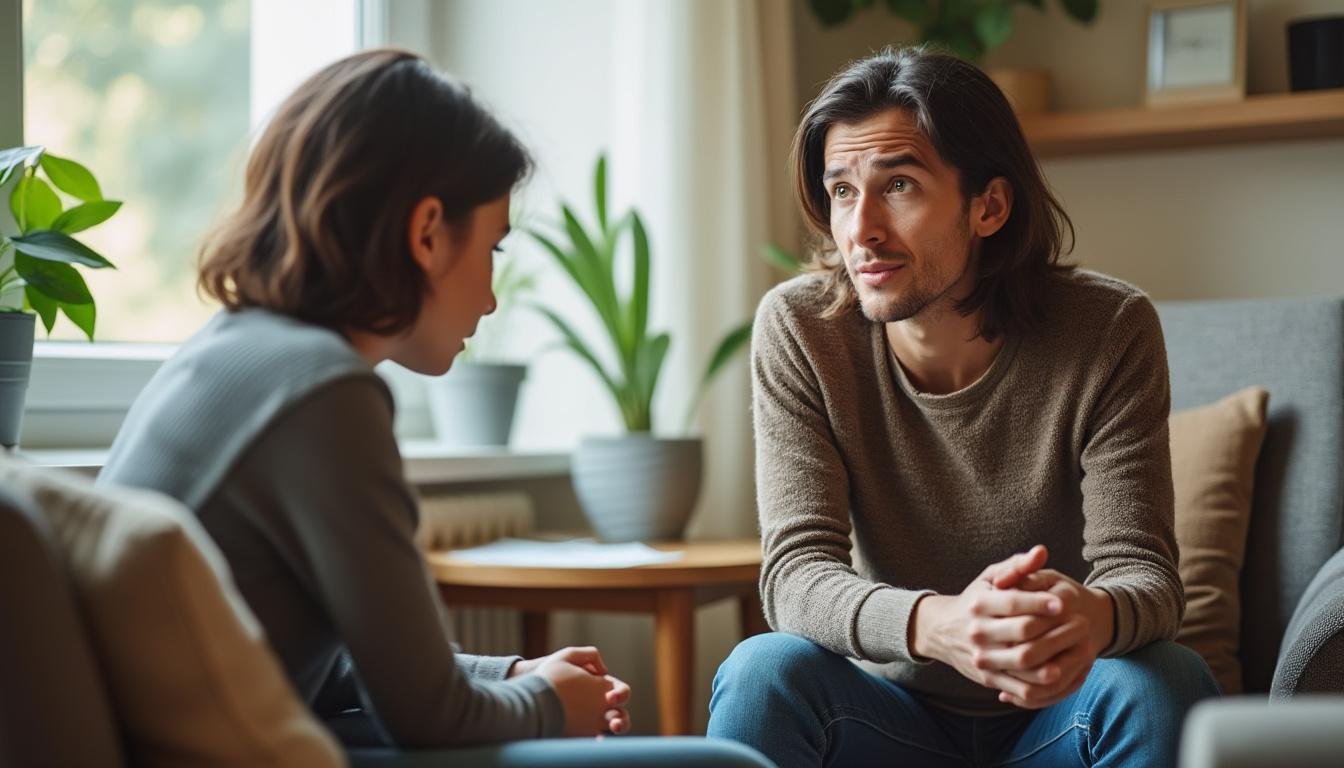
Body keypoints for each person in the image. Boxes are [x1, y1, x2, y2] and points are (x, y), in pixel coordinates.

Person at [98, 49, 770, 768]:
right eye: (493, 247)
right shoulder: (323, 391)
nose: (490, 295)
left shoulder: (234, 350)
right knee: (729, 764)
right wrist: (553, 704)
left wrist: (509, 677)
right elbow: (427, 720)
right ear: (426, 233)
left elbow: (324, 666)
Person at [706, 47, 1219, 768]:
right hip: (883, 718)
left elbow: (1146, 578)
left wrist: (1090, 614)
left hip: (1059, 717)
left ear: (990, 206)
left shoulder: (1108, 329)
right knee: (762, 674)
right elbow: (794, 574)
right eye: (843, 191)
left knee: (1164, 680)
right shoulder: (802, 329)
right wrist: (938, 624)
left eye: (901, 186)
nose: (861, 230)